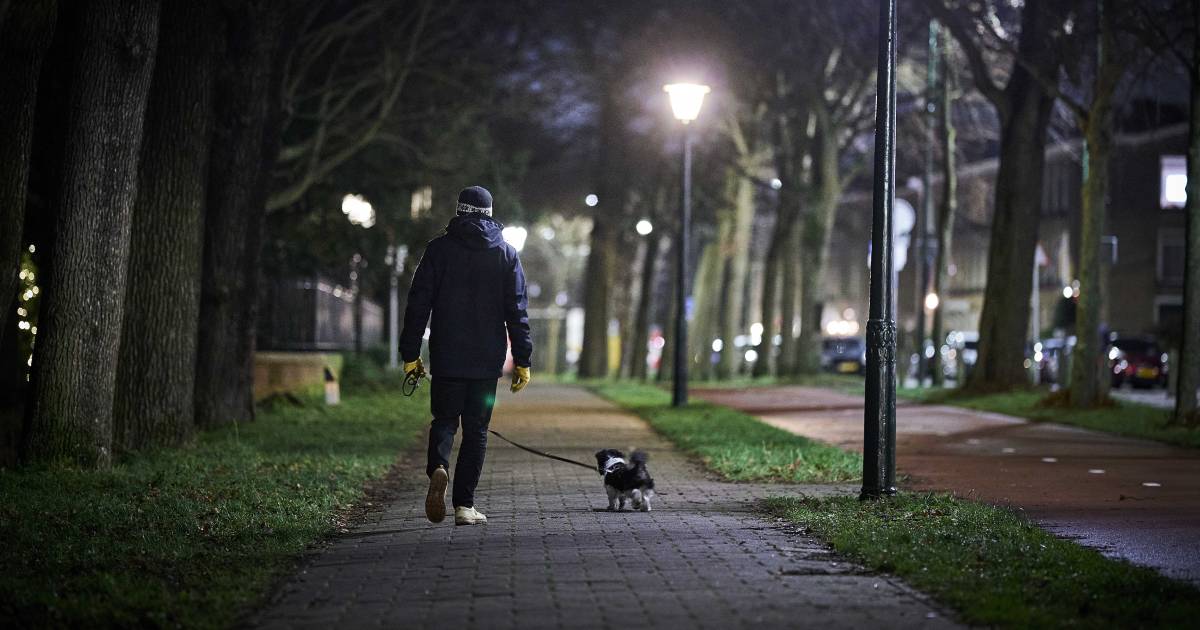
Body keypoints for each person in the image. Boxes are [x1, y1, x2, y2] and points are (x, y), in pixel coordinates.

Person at [399, 186, 533, 526]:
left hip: (447, 356)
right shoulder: (506, 253)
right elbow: (517, 312)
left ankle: (438, 467)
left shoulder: (438, 250)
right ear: (490, 213)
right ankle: (464, 506)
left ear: (459, 210)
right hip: (487, 361)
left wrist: (410, 354)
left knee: (444, 420)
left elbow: (418, 305)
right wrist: (523, 360)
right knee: (477, 431)